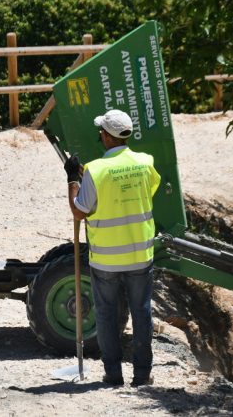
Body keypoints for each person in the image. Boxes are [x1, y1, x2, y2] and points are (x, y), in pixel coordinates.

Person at [64, 109, 160, 387]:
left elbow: (79, 211)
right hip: (140, 255)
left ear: (106, 136)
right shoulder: (145, 162)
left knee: (106, 314)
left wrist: (73, 180)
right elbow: (146, 193)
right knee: (142, 312)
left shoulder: (95, 170)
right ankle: (142, 375)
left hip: (105, 259)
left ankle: (113, 375)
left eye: (101, 132)